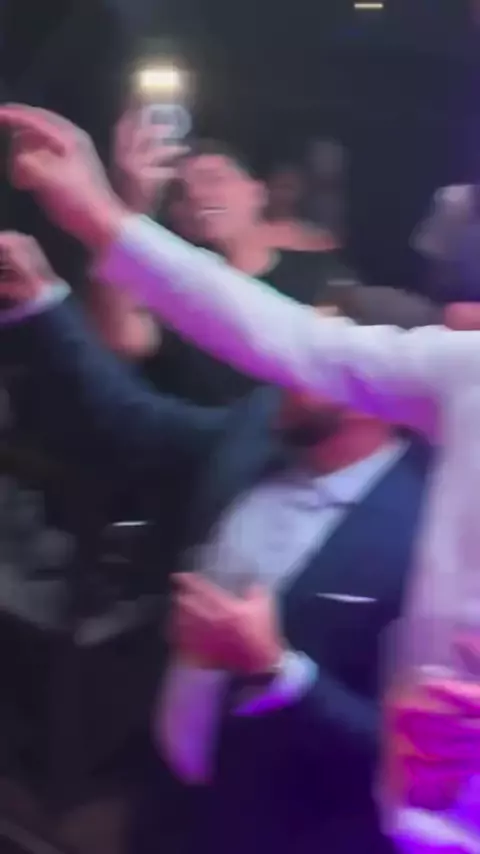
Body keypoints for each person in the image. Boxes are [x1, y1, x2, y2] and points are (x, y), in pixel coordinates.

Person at [0, 230, 438, 854]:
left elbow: (412, 755)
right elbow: (132, 424)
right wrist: (39, 303)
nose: (283, 367)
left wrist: (277, 671)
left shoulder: (424, 540)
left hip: (281, 835)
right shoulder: (258, 427)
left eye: (311, 360)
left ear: (376, 398)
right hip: (163, 795)